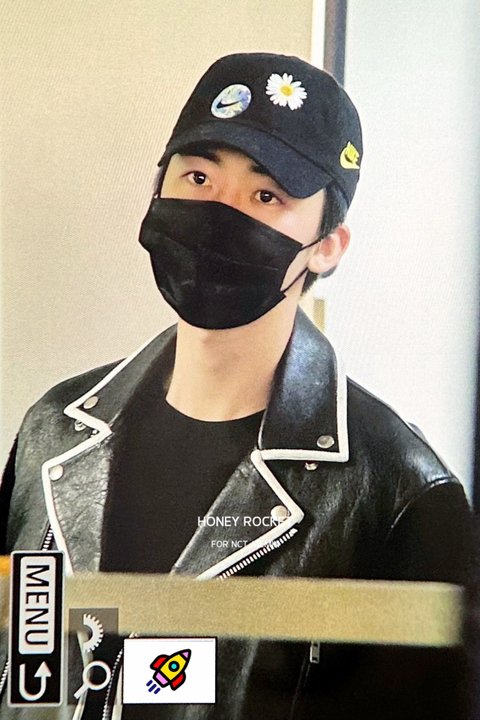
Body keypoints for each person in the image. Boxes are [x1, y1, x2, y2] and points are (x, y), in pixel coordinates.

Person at [0, 52, 472, 719]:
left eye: (266, 196)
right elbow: (25, 675)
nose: (219, 212)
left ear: (328, 245)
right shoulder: (54, 433)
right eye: (198, 177)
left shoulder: (399, 492)